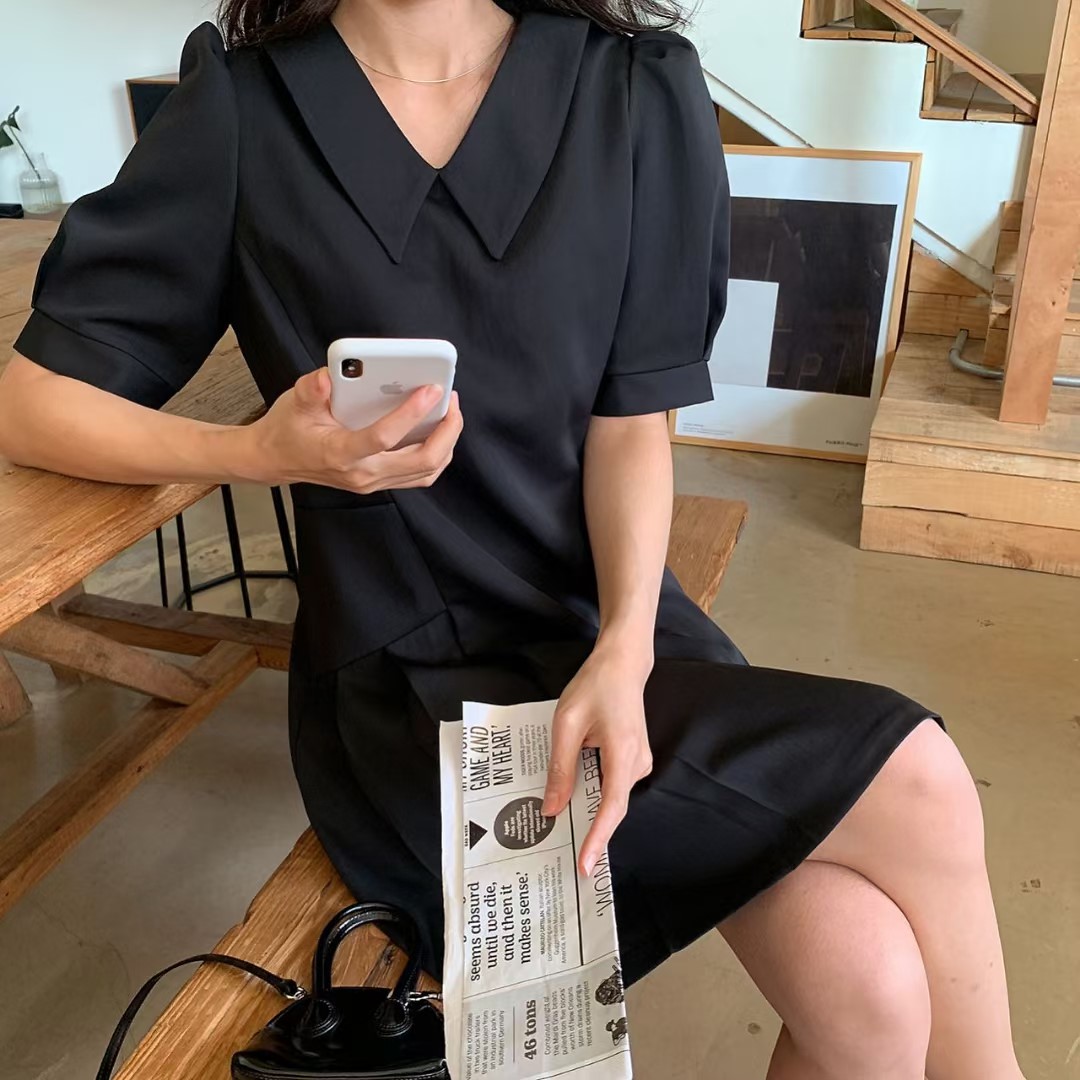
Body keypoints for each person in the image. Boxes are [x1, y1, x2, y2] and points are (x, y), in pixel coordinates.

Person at [0, 0, 1026, 1076]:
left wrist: (626, 646)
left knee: (867, 983)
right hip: (409, 680)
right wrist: (260, 452)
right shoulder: (246, 108)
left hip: (614, 626)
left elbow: (630, 424)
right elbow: (32, 404)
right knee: (918, 778)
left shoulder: (635, 90)